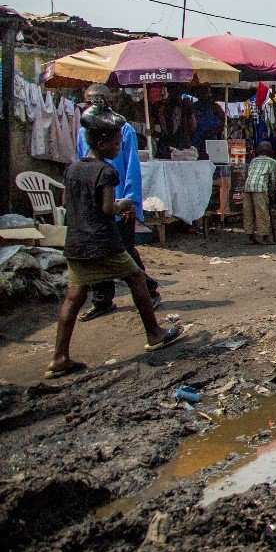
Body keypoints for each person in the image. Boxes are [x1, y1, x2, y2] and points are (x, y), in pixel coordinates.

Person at [47, 109, 180, 379]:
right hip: (103, 241)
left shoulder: (72, 169)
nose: (120, 148)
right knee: (136, 278)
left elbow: (66, 204)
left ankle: (60, 357)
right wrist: (125, 204)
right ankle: (154, 334)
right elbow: (108, 208)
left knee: (74, 297)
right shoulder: (106, 172)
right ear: (102, 143)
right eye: (117, 143)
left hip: (75, 242)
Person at [74, 83, 159, 321]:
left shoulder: (124, 130)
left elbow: (131, 167)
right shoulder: (84, 131)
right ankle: (102, 300)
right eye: (90, 101)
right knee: (98, 252)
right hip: (95, 202)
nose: (93, 105)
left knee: (124, 250)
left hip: (118, 199)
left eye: (97, 100)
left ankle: (149, 289)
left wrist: (129, 201)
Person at [243, 141, 276, 244]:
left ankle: (250, 237)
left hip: (248, 186)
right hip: (260, 187)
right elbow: (272, 179)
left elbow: (249, 173)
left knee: (248, 212)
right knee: (262, 212)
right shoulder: (272, 162)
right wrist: (272, 194)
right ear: (270, 152)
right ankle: (265, 238)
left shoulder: (253, 160)